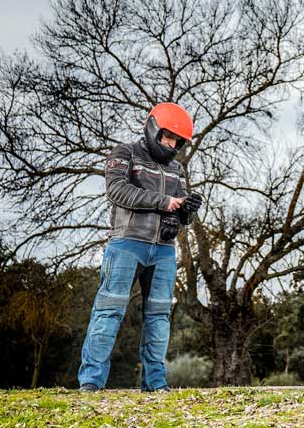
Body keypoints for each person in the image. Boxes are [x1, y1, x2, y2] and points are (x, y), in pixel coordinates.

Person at [77, 103, 203, 392]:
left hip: (163, 251)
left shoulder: (176, 168)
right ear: (152, 129)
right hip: (126, 244)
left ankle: (156, 384)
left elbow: (179, 209)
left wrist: (187, 210)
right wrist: (163, 202)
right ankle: (91, 383)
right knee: (109, 311)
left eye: (177, 141)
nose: (172, 145)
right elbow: (116, 191)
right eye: (167, 137)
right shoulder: (125, 153)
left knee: (159, 316)